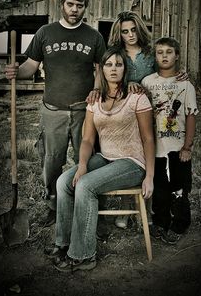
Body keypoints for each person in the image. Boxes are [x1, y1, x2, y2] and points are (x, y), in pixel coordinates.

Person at [5, 0, 106, 226]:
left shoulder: (94, 36)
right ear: (62, 4)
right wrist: (16, 71)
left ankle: (90, 206)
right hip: (53, 110)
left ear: (85, 9)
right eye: (70, 4)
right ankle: (54, 204)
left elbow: (102, 68)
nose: (74, 10)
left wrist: (97, 88)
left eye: (79, 6)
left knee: (89, 159)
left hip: (85, 111)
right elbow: (31, 66)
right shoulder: (45, 33)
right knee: (51, 159)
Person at [47, 46, 155, 272]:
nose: (113, 69)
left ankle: (83, 256)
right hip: (105, 157)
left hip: (132, 163)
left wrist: (150, 177)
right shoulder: (94, 100)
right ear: (101, 69)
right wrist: (83, 165)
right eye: (108, 64)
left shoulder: (136, 97)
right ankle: (63, 243)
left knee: (85, 186)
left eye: (119, 64)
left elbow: (147, 138)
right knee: (64, 182)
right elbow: (87, 140)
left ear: (125, 69)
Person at [107, 11, 186, 229]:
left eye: (133, 29)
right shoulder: (115, 54)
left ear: (139, 29)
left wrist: (181, 75)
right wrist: (128, 84)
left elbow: (164, 76)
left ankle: (148, 210)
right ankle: (126, 208)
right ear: (119, 34)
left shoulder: (151, 53)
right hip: (123, 112)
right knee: (126, 157)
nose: (130, 35)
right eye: (125, 31)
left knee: (149, 157)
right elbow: (108, 78)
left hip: (150, 111)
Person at [141, 37, 198, 244]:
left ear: (177, 55)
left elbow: (191, 115)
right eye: (159, 52)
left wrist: (187, 147)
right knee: (160, 188)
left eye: (169, 52)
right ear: (155, 56)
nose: (164, 56)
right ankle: (160, 222)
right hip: (154, 147)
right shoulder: (147, 82)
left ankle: (180, 223)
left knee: (179, 188)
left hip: (177, 146)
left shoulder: (185, 85)